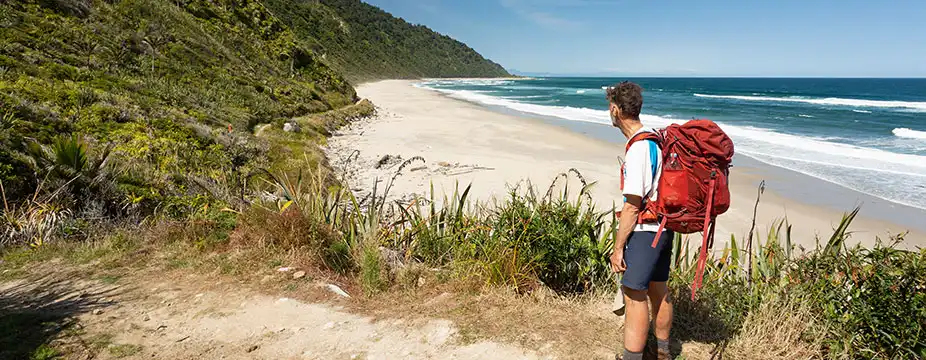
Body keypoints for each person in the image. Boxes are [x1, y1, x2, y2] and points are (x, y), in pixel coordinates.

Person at [607, 81, 674, 360]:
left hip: (645, 232)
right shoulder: (657, 141)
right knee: (659, 291)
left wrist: (618, 247)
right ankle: (662, 352)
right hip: (664, 228)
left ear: (615, 110)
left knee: (634, 295)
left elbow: (633, 205)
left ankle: (632, 357)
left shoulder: (638, 148)